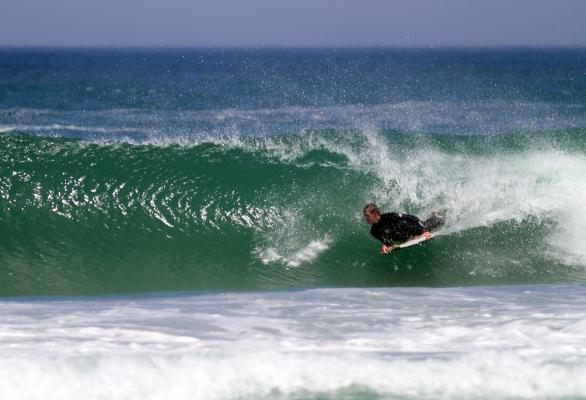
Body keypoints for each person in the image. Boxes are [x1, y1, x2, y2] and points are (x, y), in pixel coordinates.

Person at [363, 203, 445, 254]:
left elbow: (411, 218)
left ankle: (439, 212)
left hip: (417, 228)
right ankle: (434, 214)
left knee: (439, 221)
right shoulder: (374, 231)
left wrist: (424, 231)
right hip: (406, 237)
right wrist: (386, 245)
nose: (366, 219)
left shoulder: (389, 216)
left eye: (367, 217)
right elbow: (387, 241)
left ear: (374, 214)